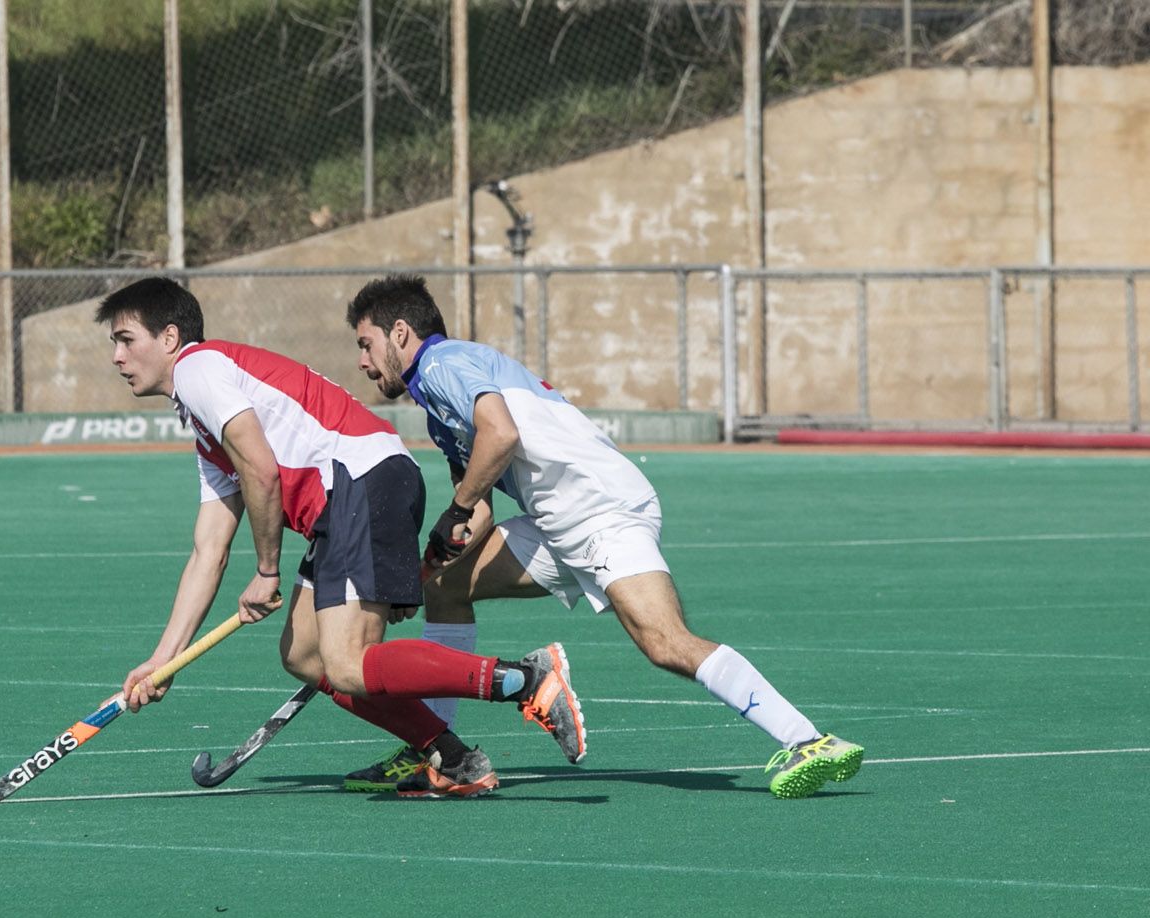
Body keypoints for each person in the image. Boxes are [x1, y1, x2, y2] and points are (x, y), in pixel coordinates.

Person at [342, 274, 864, 799]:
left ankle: (808, 739)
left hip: (599, 510)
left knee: (664, 642)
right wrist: (420, 572)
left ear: (401, 333)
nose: (363, 362)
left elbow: (501, 436)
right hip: (555, 522)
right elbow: (475, 515)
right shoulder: (439, 409)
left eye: (367, 344)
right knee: (445, 588)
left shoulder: (440, 364)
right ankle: (436, 749)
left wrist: (454, 509)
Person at [94, 276, 585, 798]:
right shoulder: (202, 420)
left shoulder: (197, 368)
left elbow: (260, 472)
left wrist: (266, 571)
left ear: (169, 338)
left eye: (126, 340)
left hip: (361, 484)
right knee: (305, 655)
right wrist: (164, 660)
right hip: (348, 502)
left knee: (349, 664)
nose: (118, 357)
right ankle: (454, 758)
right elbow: (207, 550)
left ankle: (525, 679)